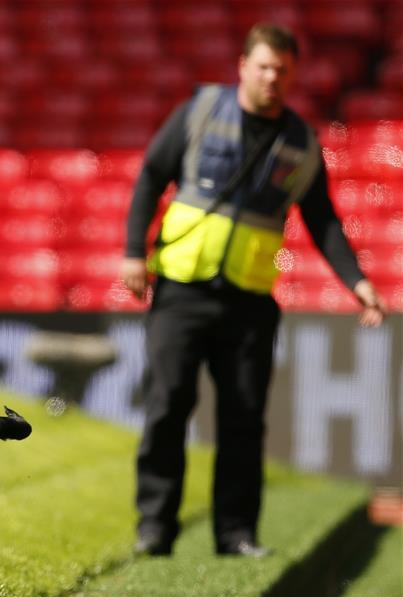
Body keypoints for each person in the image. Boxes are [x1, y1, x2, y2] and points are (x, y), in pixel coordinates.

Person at [120, 23, 387, 558]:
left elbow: (323, 220)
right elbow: (152, 174)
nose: (273, 78)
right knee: (167, 404)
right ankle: (155, 526)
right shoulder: (199, 113)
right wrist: (132, 251)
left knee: (243, 416)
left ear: (293, 75)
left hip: (249, 300)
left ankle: (236, 532)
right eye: (264, 66)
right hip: (182, 289)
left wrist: (356, 282)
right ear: (243, 66)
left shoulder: (300, 141)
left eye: (283, 70)